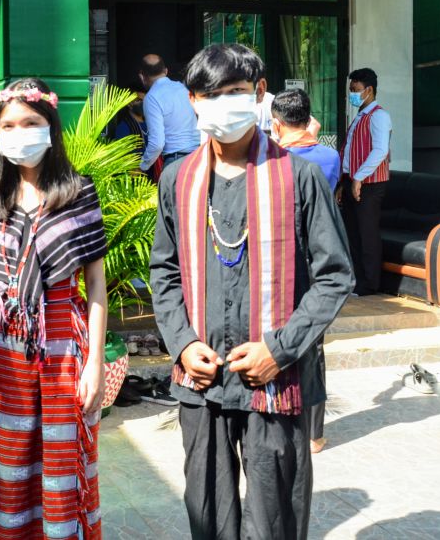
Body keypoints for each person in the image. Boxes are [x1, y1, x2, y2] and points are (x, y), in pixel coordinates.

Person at [149, 44, 353, 540]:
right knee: (208, 514)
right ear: (194, 101)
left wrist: (279, 350)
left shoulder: (300, 178)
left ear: (259, 94)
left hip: (274, 382)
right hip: (203, 381)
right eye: (210, 94)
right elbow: (164, 271)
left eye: (236, 91)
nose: (224, 102)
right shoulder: (178, 179)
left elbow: (334, 276)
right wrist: (183, 343)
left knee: (275, 517)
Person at [0, 78, 109, 540]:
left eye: (30, 122)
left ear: (50, 127)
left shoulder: (78, 193)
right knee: (14, 460)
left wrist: (94, 362)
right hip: (7, 347)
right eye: (8, 125)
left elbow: (94, 285)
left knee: (65, 459)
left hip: (65, 343)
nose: (19, 132)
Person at [271, 88, 342, 455]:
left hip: (282, 259)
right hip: (318, 256)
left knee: (281, 336)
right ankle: (315, 433)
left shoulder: (274, 159)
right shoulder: (330, 157)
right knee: (313, 345)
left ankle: (283, 415)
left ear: (276, 123)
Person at [339, 67, 392, 296]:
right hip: (353, 182)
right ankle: (358, 282)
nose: (352, 93)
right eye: (351, 89)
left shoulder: (379, 116)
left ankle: (370, 285)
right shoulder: (360, 116)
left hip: (370, 186)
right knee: (353, 235)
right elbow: (349, 152)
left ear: (369, 90)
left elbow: (380, 150)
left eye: (356, 89)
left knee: (367, 235)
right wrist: (344, 182)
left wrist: (358, 177)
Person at [138, 54, 200, 178]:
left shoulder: (151, 98)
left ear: (142, 76)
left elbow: (157, 143)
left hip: (176, 162)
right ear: (166, 71)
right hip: (199, 157)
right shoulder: (184, 89)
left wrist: (142, 166)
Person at [105, 88, 148, 157]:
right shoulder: (124, 128)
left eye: (146, 100)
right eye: (138, 100)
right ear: (129, 104)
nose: (143, 103)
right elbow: (124, 156)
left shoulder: (152, 124)